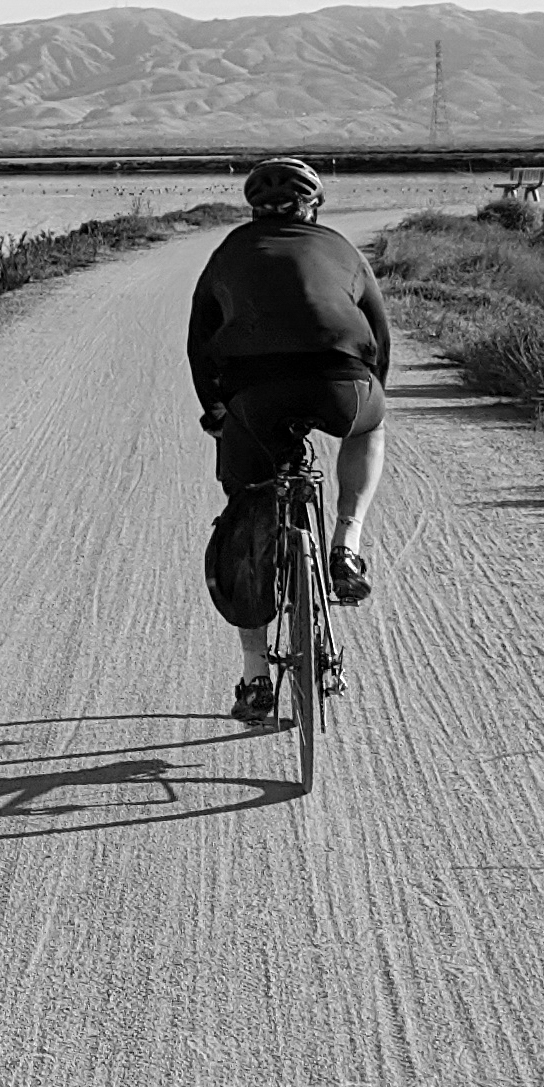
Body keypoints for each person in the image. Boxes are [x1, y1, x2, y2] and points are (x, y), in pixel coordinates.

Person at [188, 156, 391, 726]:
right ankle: (346, 544)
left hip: (255, 395)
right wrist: (369, 396)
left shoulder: (229, 251)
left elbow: (200, 341)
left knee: (246, 520)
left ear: (252, 210)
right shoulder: (341, 248)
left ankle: (256, 680)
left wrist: (216, 410)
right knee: (371, 424)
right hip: (341, 383)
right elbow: (379, 334)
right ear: (314, 207)